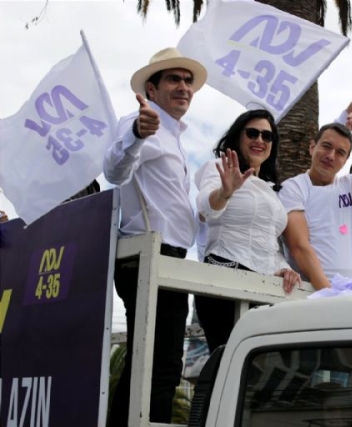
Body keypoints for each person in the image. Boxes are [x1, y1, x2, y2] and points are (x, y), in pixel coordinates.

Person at [103, 47, 207, 425]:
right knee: (157, 365)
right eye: (174, 79)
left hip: (170, 259)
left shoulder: (172, 135)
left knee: (157, 364)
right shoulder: (140, 122)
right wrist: (135, 133)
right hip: (148, 255)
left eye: (188, 81)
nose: (184, 87)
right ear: (152, 87)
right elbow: (113, 171)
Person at [194, 109, 301, 352]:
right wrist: (224, 192)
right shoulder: (219, 168)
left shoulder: (272, 189)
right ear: (237, 137)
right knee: (226, 367)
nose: (260, 140)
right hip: (224, 279)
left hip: (263, 289)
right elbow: (204, 209)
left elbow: (269, 241)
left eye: (267, 136)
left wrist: (284, 268)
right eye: (252, 133)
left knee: (256, 376)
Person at [279, 111, 352, 290]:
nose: (331, 156)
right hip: (310, 290)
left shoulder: (350, 185)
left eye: (340, 152)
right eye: (326, 146)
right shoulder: (292, 188)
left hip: (351, 291)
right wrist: (328, 293)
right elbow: (299, 246)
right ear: (312, 147)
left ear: (345, 160)